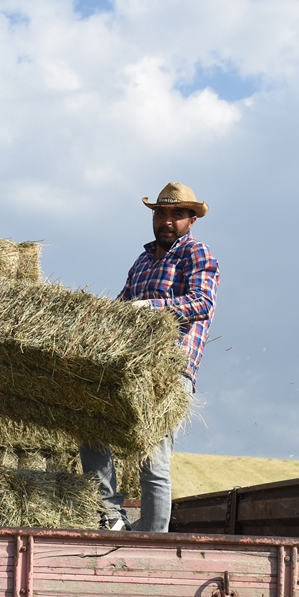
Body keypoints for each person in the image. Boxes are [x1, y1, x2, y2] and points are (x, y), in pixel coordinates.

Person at [82, 182, 220, 532]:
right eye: (161, 213)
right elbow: (121, 308)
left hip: (169, 373)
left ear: (191, 220)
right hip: (130, 370)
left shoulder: (197, 254)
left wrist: (150, 308)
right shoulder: (142, 261)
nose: (167, 220)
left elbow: (202, 303)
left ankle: (155, 542)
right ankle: (111, 516)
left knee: (153, 460)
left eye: (177, 214)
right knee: (90, 427)